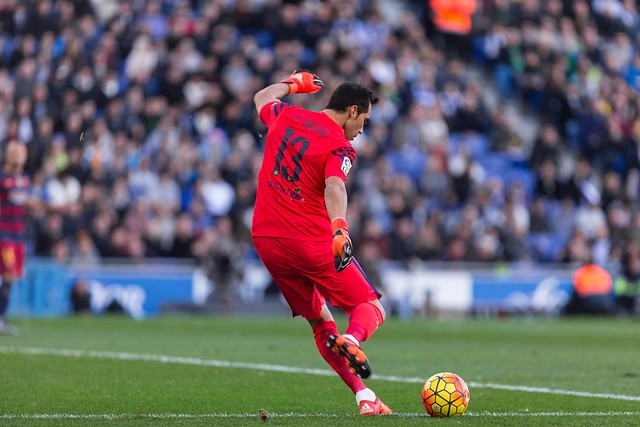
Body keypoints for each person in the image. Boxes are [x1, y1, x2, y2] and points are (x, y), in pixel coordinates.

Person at [251, 70, 391, 416]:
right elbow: (335, 186)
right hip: (310, 242)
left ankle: (364, 397)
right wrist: (340, 228)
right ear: (353, 111)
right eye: (365, 121)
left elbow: (261, 98)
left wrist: (292, 84)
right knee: (371, 307)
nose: (362, 131)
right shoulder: (338, 145)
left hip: (266, 239)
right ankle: (354, 340)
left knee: (320, 322)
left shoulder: (288, 115)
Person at [0, 141, 30, 335]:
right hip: (4, 234)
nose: (20, 157)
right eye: (16, 153)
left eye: (22, 153)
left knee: (10, 279)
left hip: (18, 235)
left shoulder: (24, 180)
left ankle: (1, 318)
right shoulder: (2, 179)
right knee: (8, 274)